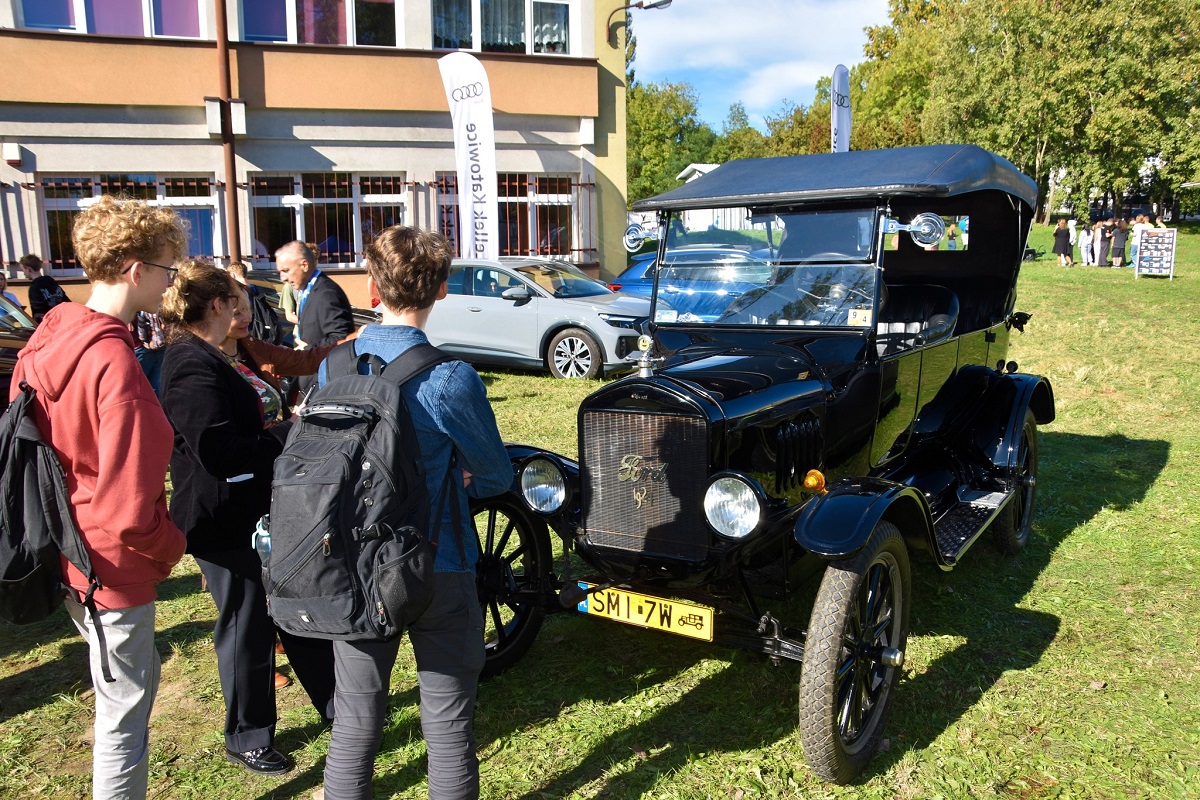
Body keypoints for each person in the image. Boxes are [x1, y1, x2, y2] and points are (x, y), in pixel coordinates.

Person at [311, 225, 511, 800]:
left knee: (354, 724)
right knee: (448, 731)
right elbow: (494, 473)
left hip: (353, 561)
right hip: (438, 560)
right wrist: (461, 474)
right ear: (442, 289)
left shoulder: (335, 366)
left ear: (373, 288)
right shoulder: (451, 377)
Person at [10, 196, 188, 799]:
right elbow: (129, 508)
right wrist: (173, 545)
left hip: (59, 547)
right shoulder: (113, 362)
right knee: (124, 715)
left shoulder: (49, 333)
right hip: (107, 564)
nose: (170, 283)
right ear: (137, 270)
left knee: (117, 700)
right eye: (168, 269)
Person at [158, 261, 337, 776]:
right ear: (215, 304)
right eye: (235, 297)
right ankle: (248, 735)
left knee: (297, 608)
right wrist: (290, 432)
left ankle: (337, 707)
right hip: (223, 520)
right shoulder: (191, 363)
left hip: (263, 508)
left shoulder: (226, 355)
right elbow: (219, 452)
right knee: (247, 625)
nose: (243, 304)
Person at [276, 241, 353, 395]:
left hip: (324, 385)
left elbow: (342, 339)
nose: (282, 277)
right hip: (311, 382)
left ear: (304, 265)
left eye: (286, 270)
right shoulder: (309, 290)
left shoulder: (326, 293)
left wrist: (307, 349)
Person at [20, 252, 69, 323]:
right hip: (63, 322)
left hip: (50, 326)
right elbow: (66, 302)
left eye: (23, 270)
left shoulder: (34, 288)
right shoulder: (52, 282)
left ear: (28, 269)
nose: (24, 273)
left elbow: (38, 314)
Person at [131, 312, 167, 396]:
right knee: (158, 386)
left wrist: (145, 342)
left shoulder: (142, 312)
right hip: (154, 347)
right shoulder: (158, 308)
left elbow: (141, 328)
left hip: (146, 348)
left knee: (137, 387)